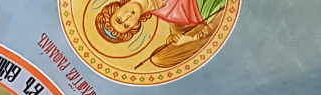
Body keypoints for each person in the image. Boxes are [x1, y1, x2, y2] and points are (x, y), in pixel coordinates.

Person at [95, 0, 226, 69]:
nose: (127, 19)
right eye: (127, 26)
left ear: (117, 8)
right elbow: (218, 18)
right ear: (134, 26)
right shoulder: (176, 17)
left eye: (119, 19)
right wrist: (191, 38)